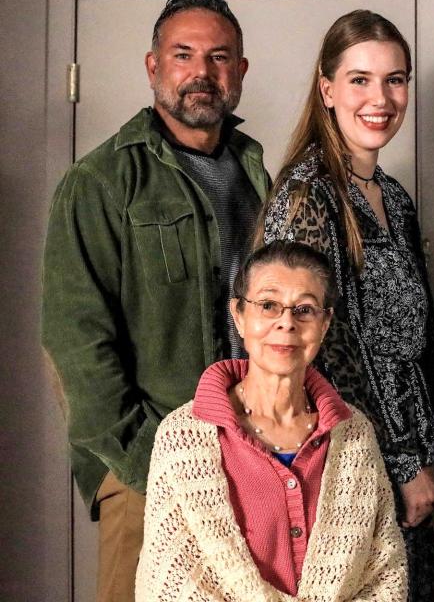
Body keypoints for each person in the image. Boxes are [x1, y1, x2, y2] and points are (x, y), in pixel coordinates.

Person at [41, 0, 268, 602]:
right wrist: (148, 461)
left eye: (220, 57)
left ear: (240, 72)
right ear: (153, 67)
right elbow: (74, 344)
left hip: (258, 458)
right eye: (183, 54)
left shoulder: (259, 172)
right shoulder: (99, 183)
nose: (202, 72)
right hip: (150, 469)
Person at [259, 10, 434, 600]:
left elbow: (417, 345)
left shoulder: (392, 196)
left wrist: (426, 453)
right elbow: (314, 352)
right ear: (327, 88)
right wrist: (399, 463)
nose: (381, 98)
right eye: (360, 79)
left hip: (412, 466)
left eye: (395, 79)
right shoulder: (307, 196)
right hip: (345, 470)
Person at [135, 241, 406, 600]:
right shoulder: (183, 436)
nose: (287, 323)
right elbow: (170, 582)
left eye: (305, 310)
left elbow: (386, 571)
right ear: (239, 316)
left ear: (324, 324)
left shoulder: (354, 434)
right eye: (268, 305)